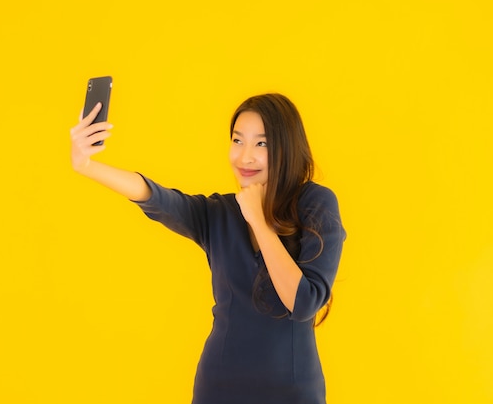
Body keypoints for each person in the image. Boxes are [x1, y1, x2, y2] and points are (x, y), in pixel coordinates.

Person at [70, 93, 346, 404]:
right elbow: (158, 197)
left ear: (287, 147)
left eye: (262, 144)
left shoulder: (316, 203)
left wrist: (258, 220)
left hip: (292, 392)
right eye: (238, 141)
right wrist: (87, 166)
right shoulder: (219, 213)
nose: (244, 157)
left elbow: (303, 302)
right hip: (219, 389)